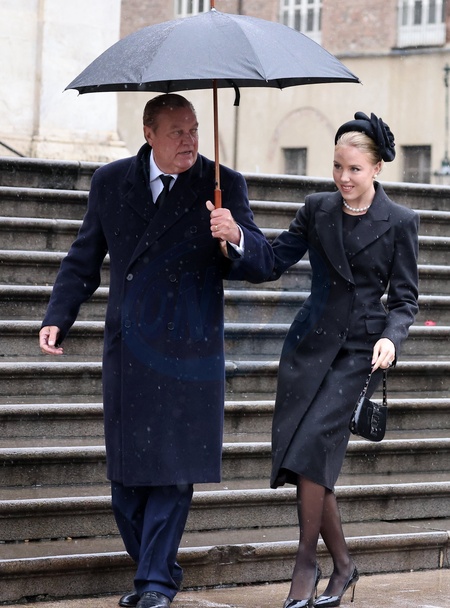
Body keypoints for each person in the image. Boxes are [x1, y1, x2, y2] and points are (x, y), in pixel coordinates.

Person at [39, 93, 273, 608]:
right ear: (149, 134)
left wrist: (234, 234)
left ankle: (154, 584)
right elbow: (83, 257)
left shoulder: (222, 183)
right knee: (126, 482)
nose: (190, 141)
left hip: (188, 351)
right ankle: (157, 568)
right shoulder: (110, 181)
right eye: (177, 132)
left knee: (172, 473)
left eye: (194, 130)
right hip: (130, 350)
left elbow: (262, 262)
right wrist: (58, 315)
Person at [265, 112, 419, 608]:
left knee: (310, 447)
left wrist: (392, 337)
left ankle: (304, 563)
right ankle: (345, 566)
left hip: (360, 354)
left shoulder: (401, 222)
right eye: (337, 167)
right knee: (306, 458)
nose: (343, 178)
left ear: (376, 168)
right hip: (309, 348)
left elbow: (405, 300)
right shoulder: (317, 209)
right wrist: (234, 240)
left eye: (354, 169)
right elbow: (274, 260)